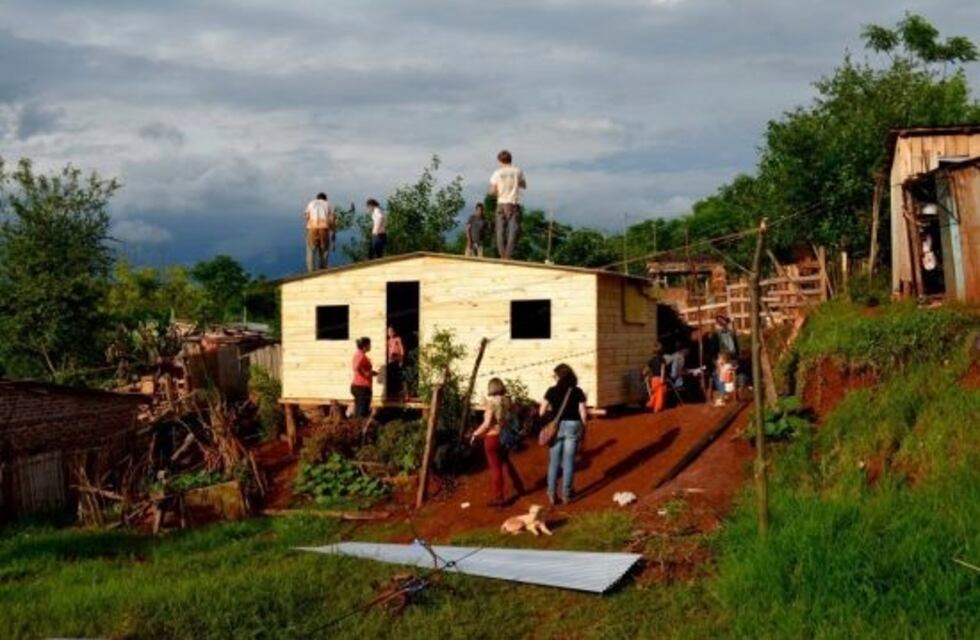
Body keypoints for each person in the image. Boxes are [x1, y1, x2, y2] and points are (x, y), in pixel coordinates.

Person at [470, 378, 525, 507]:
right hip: (504, 437)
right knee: (506, 463)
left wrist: (475, 434)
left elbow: (487, 424)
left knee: (496, 469)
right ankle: (519, 487)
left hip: (492, 438)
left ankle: (499, 498)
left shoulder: (491, 404)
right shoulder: (507, 402)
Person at [539, 363, 587, 505]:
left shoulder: (551, 391)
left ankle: (552, 493)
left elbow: (541, 411)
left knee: (554, 461)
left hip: (556, 426)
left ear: (559, 376)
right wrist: (584, 429)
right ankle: (567, 494)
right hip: (573, 425)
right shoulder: (578, 391)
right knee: (568, 461)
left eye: (555, 375)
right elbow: (583, 414)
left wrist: (550, 418)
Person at [489, 150, 526, 259]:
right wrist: (514, 183)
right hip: (513, 203)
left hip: (501, 203)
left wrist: (497, 192)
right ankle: (508, 256)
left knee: (500, 230)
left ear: (500, 160)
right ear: (510, 159)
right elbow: (524, 185)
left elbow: (492, 190)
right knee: (512, 230)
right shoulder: (518, 171)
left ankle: (502, 255)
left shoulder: (497, 173)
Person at [706, 315, 739, 397]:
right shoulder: (719, 335)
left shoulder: (726, 335)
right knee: (719, 370)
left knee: (721, 370)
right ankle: (724, 392)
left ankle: (724, 392)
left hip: (728, 359)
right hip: (725, 359)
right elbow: (712, 353)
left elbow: (736, 350)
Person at [303, 193, 337, 272]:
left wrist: (307, 230)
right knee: (324, 252)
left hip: (312, 229)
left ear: (317, 198)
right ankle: (323, 270)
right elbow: (332, 219)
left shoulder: (311, 203)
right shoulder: (327, 204)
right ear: (325, 199)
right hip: (324, 229)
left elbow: (306, 217)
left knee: (311, 252)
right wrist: (333, 233)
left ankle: (311, 272)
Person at [351, 337, 377, 418]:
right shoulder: (361, 355)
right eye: (369, 345)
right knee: (362, 412)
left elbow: (359, 368)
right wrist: (366, 373)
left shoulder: (359, 354)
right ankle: (360, 428)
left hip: (357, 386)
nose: (370, 347)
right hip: (362, 387)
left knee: (359, 410)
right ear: (365, 346)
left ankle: (355, 427)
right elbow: (356, 367)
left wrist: (370, 373)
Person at [385, 326, 405, 399]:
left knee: (397, 375)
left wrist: (401, 360)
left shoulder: (398, 339)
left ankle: (399, 392)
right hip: (391, 359)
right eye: (389, 332)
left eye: (391, 331)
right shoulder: (388, 341)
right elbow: (388, 351)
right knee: (391, 376)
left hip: (397, 358)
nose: (390, 333)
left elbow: (401, 349)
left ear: (394, 332)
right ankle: (392, 392)